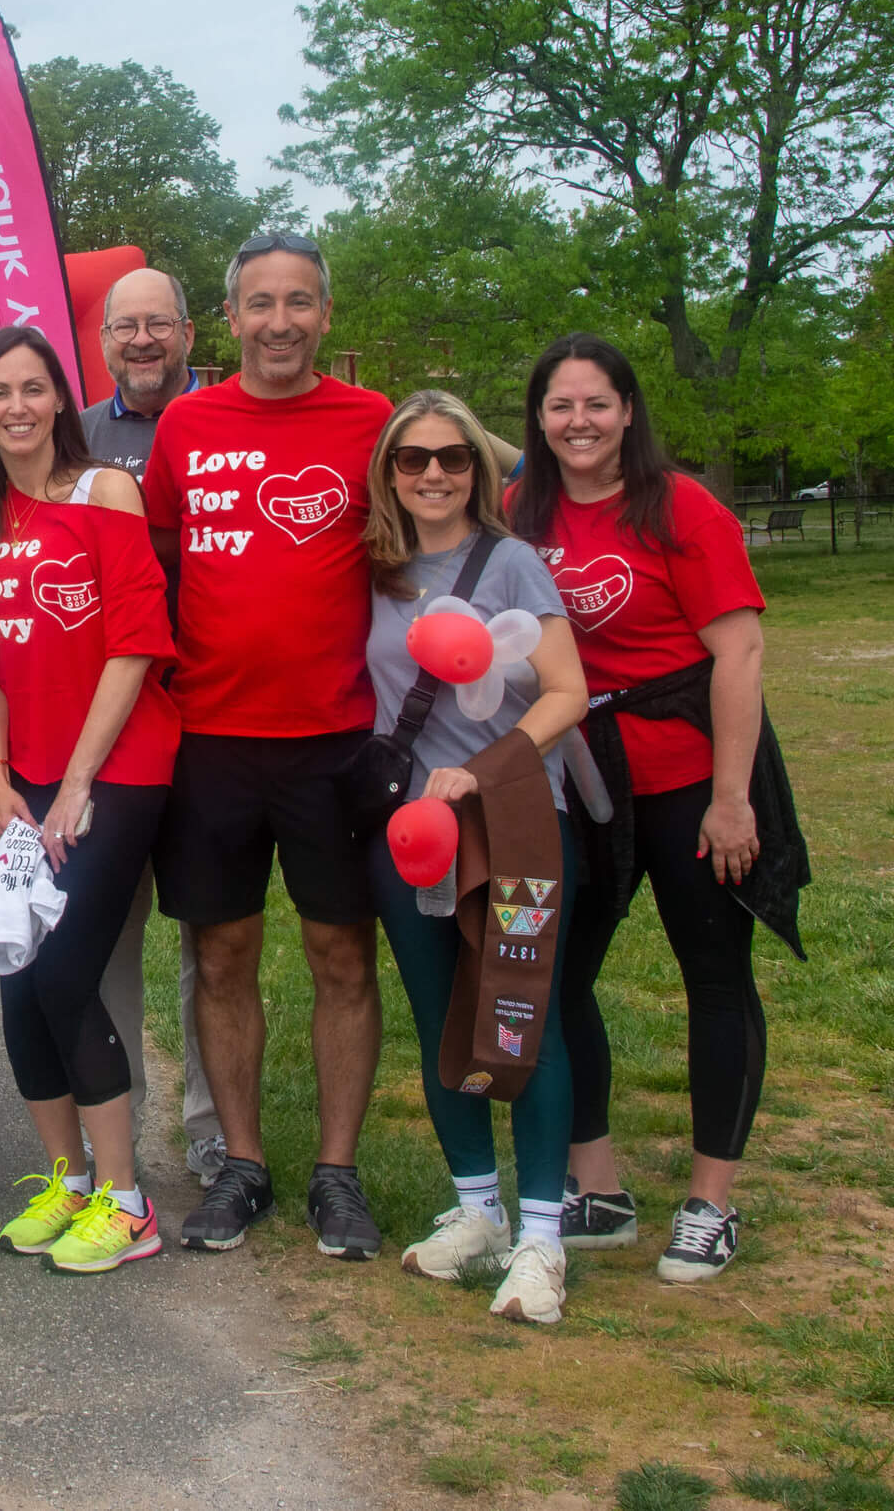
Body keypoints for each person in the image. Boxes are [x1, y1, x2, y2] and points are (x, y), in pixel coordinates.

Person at [512, 333, 783, 1284]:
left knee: (712, 977)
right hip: (578, 779)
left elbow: (738, 653)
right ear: (538, 420)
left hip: (687, 774)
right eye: (560, 406)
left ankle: (712, 1202)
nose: (578, 422)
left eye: (596, 404)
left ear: (629, 410)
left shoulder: (683, 509)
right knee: (557, 976)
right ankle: (599, 1183)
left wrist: (732, 799)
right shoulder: (521, 512)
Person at [143, 231, 392, 1260]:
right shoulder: (186, 425)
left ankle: (336, 1173)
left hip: (338, 738)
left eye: (298, 302)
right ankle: (240, 1164)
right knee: (221, 953)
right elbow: (155, 560)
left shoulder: (375, 423)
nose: (279, 321)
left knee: (341, 953)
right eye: (260, 303)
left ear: (324, 316)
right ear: (230, 317)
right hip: (210, 738)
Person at [0, 326, 181, 1274]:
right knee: (16, 980)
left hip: (116, 769)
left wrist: (75, 785)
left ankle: (128, 1204)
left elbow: (134, 642)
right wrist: (5, 783)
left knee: (62, 974)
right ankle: (70, 1183)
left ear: (59, 400)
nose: (16, 407)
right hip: (27, 779)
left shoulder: (105, 492)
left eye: (34, 389)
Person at [362, 391, 588, 1323]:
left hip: (516, 824)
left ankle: (541, 1239)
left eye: (453, 458)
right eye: (411, 460)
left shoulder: (514, 563)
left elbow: (567, 692)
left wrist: (480, 774)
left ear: (480, 468)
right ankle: (476, 1212)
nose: (433, 476)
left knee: (524, 1019)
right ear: (389, 473)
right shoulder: (372, 570)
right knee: (440, 1018)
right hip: (413, 836)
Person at [76, 266, 225, 1183]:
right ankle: (113, 1132)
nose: (140, 341)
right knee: (107, 939)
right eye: (123, 326)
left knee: (212, 938)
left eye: (156, 325)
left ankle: (211, 1131)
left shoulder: (229, 425)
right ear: (102, 343)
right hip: (112, 723)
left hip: (213, 717)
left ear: (188, 335)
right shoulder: (78, 439)